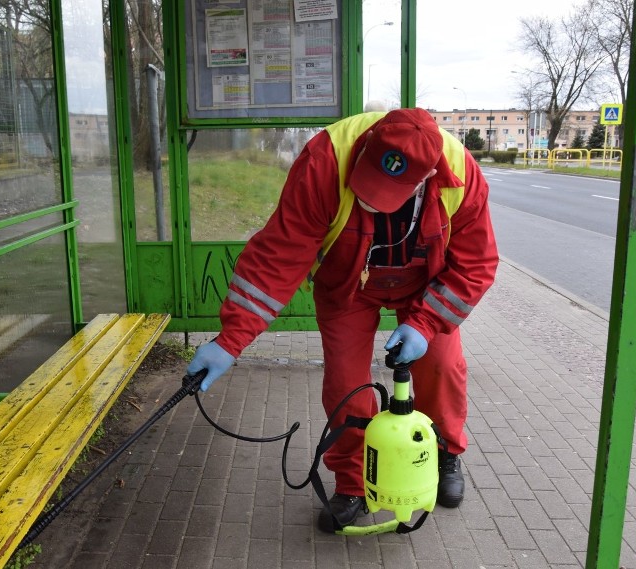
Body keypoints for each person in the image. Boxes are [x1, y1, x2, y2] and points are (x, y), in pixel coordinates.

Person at [186, 107, 498, 532]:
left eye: (390, 192)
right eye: (369, 183)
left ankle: (443, 455)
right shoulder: (325, 161)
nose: (371, 197)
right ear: (368, 145)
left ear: (427, 178)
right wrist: (229, 341)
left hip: (425, 285)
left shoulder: (461, 174)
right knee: (346, 385)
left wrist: (424, 325)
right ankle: (354, 483)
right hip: (347, 283)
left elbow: (476, 265)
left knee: (442, 368)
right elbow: (278, 258)